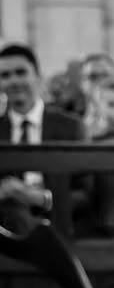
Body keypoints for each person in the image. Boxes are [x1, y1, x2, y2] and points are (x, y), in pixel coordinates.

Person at [0, 42, 84, 233]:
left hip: (58, 218)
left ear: (38, 76)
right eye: (5, 75)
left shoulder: (70, 126)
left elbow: (85, 194)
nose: (13, 81)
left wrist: (38, 197)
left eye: (20, 72)